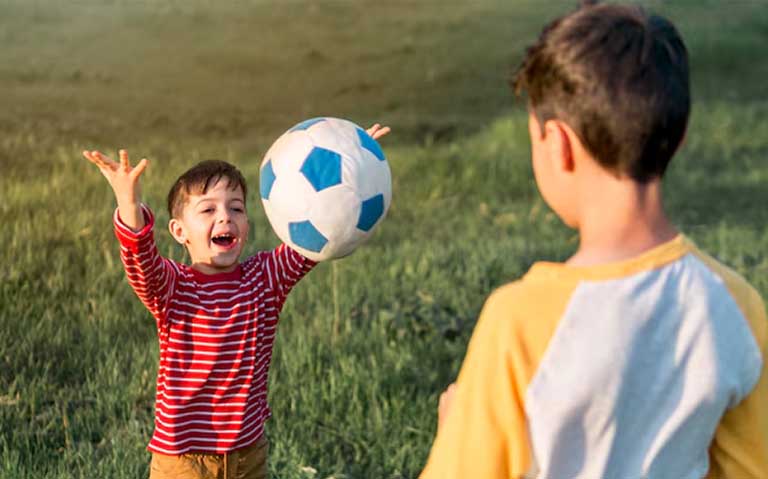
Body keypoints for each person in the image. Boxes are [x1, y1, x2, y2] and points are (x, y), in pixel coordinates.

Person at [420, 3, 767, 478]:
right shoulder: (737, 305)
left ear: (558, 145)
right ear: (681, 136)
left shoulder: (518, 320)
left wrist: (455, 429)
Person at [83, 124, 389, 479]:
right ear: (179, 231)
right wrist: (128, 203)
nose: (225, 216)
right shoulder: (172, 288)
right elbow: (140, 260)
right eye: (208, 210)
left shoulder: (265, 279)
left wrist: (354, 162)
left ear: (246, 224)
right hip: (183, 458)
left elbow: (314, 240)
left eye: (236, 208)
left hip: (247, 453)